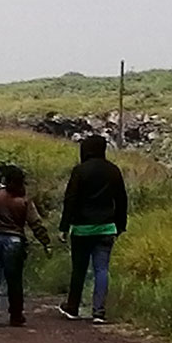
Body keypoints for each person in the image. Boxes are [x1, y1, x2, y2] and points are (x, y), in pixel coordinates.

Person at [57, 135, 129, 324]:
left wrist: (64, 227)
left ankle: (73, 307)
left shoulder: (80, 171)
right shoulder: (113, 171)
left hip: (82, 229)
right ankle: (99, 311)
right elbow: (122, 200)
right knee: (102, 269)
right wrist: (121, 225)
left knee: (79, 269)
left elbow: (70, 199)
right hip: (106, 228)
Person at [0, 164, 51, 329]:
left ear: (5, 180)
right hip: (14, 241)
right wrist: (46, 242)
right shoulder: (23, 201)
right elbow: (35, 223)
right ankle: (15, 314)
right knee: (14, 280)